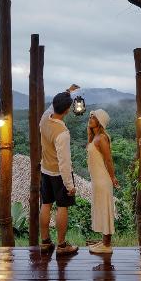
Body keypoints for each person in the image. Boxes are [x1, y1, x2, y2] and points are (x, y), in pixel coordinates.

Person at [39, 86, 80, 256]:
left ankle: (45, 242)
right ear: (68, 110)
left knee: (46, 204)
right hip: (59, 175)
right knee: (62, 207)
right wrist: (70, 186)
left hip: (45, 170)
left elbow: (51, 107)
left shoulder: (44, 119)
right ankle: (62, 246)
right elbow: (64, 163)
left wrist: (67, 92)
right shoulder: (62, 133)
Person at [86, 109, 118, 254]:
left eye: (94, 117)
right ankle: (104, 242)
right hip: (97, 180)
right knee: (101, 209)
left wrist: (113, 177)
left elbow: (108, 160)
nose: (90, 119)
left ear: (100, 121)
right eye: (90, 117)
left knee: (105, 209)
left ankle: (107, 245)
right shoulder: (95, 138)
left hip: (103, 180)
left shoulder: (102, 138)